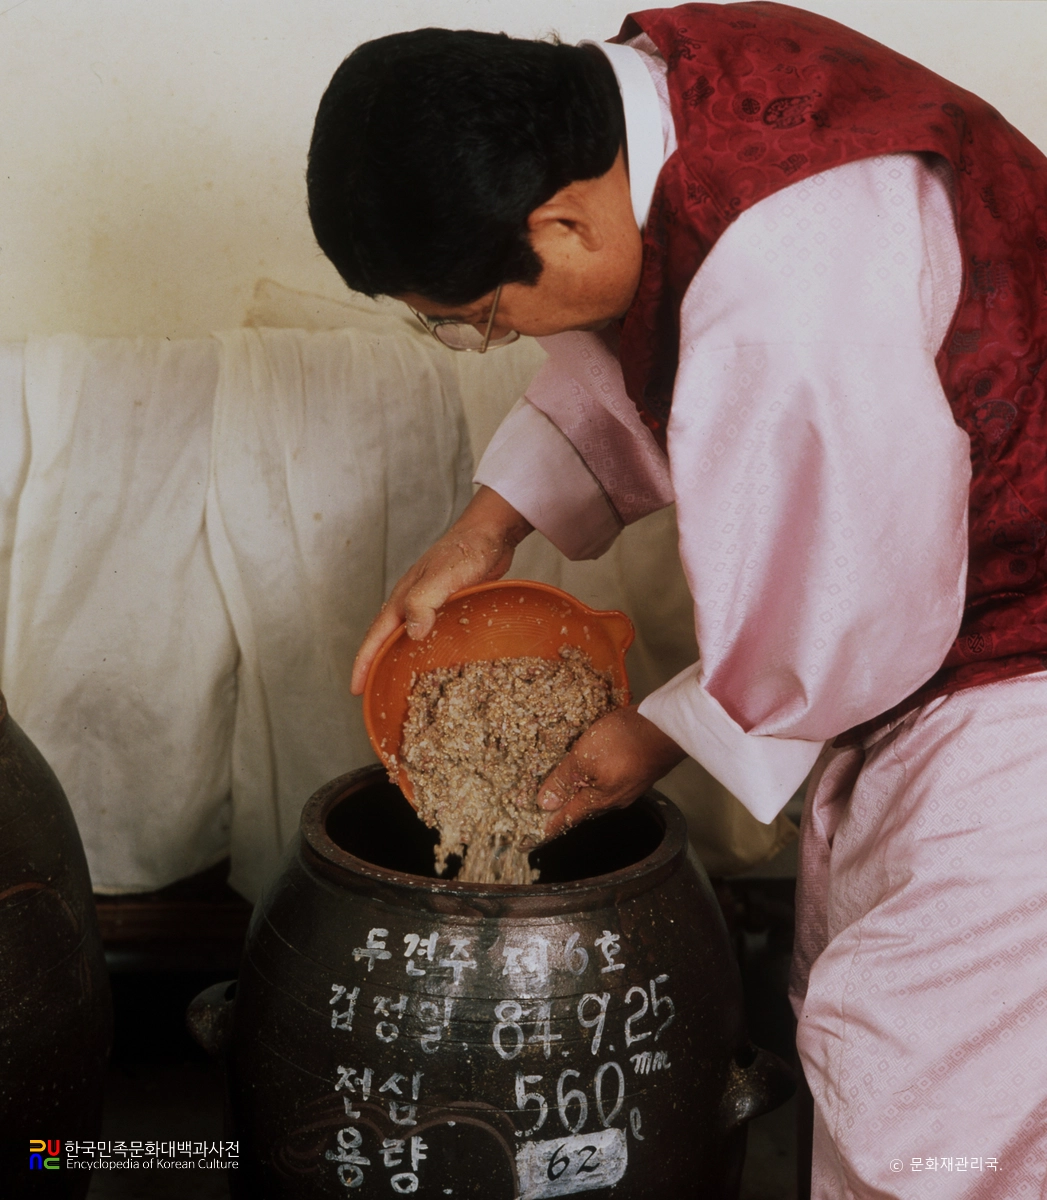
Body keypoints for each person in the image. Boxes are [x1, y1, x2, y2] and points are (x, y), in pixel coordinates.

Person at [306, 4, 1047, 1195]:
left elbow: (849, 603)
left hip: (1024, 654)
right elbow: (664, 340)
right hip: (941, 628)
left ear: (558, 220)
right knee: (872, 1018)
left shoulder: (793, 289)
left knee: (932, 1089)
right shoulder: (650, 95)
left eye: (479, 320)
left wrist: (648, 739)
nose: (491, 342)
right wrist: (486, 526)